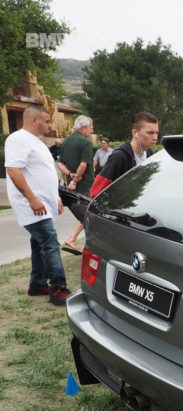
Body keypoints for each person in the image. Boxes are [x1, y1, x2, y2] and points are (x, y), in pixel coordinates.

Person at [3, 105, 71, 306]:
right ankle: (58, 288)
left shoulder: (36, 142)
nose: (50, 125)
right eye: (47, 121)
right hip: (31, 204)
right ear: (35, 120)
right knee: (50, 243)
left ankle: (37, 284)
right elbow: (13, 170)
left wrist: (55, 199)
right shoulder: (18, 139)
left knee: (38, 243)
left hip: (43, 203)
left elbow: (42, 173)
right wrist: (32, 199)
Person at [91, 112, 159, 197]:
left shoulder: (150, 155)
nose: (155, 137)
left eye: (157, 133)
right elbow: (96, 192)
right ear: (135, 132)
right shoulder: (119, 156)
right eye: (150, 133)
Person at [58, 115, 95, 252]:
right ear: (83, 128)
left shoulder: (66, 141)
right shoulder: (86, 143)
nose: (92, 130)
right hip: (84, 185)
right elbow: (83, 164)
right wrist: (75, 180)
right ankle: (74, 240)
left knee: (84, 214)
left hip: (72, 185)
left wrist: (69, 175)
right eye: (91, 128)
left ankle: (73, 239)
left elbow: (60, 163)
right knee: (88, 214)